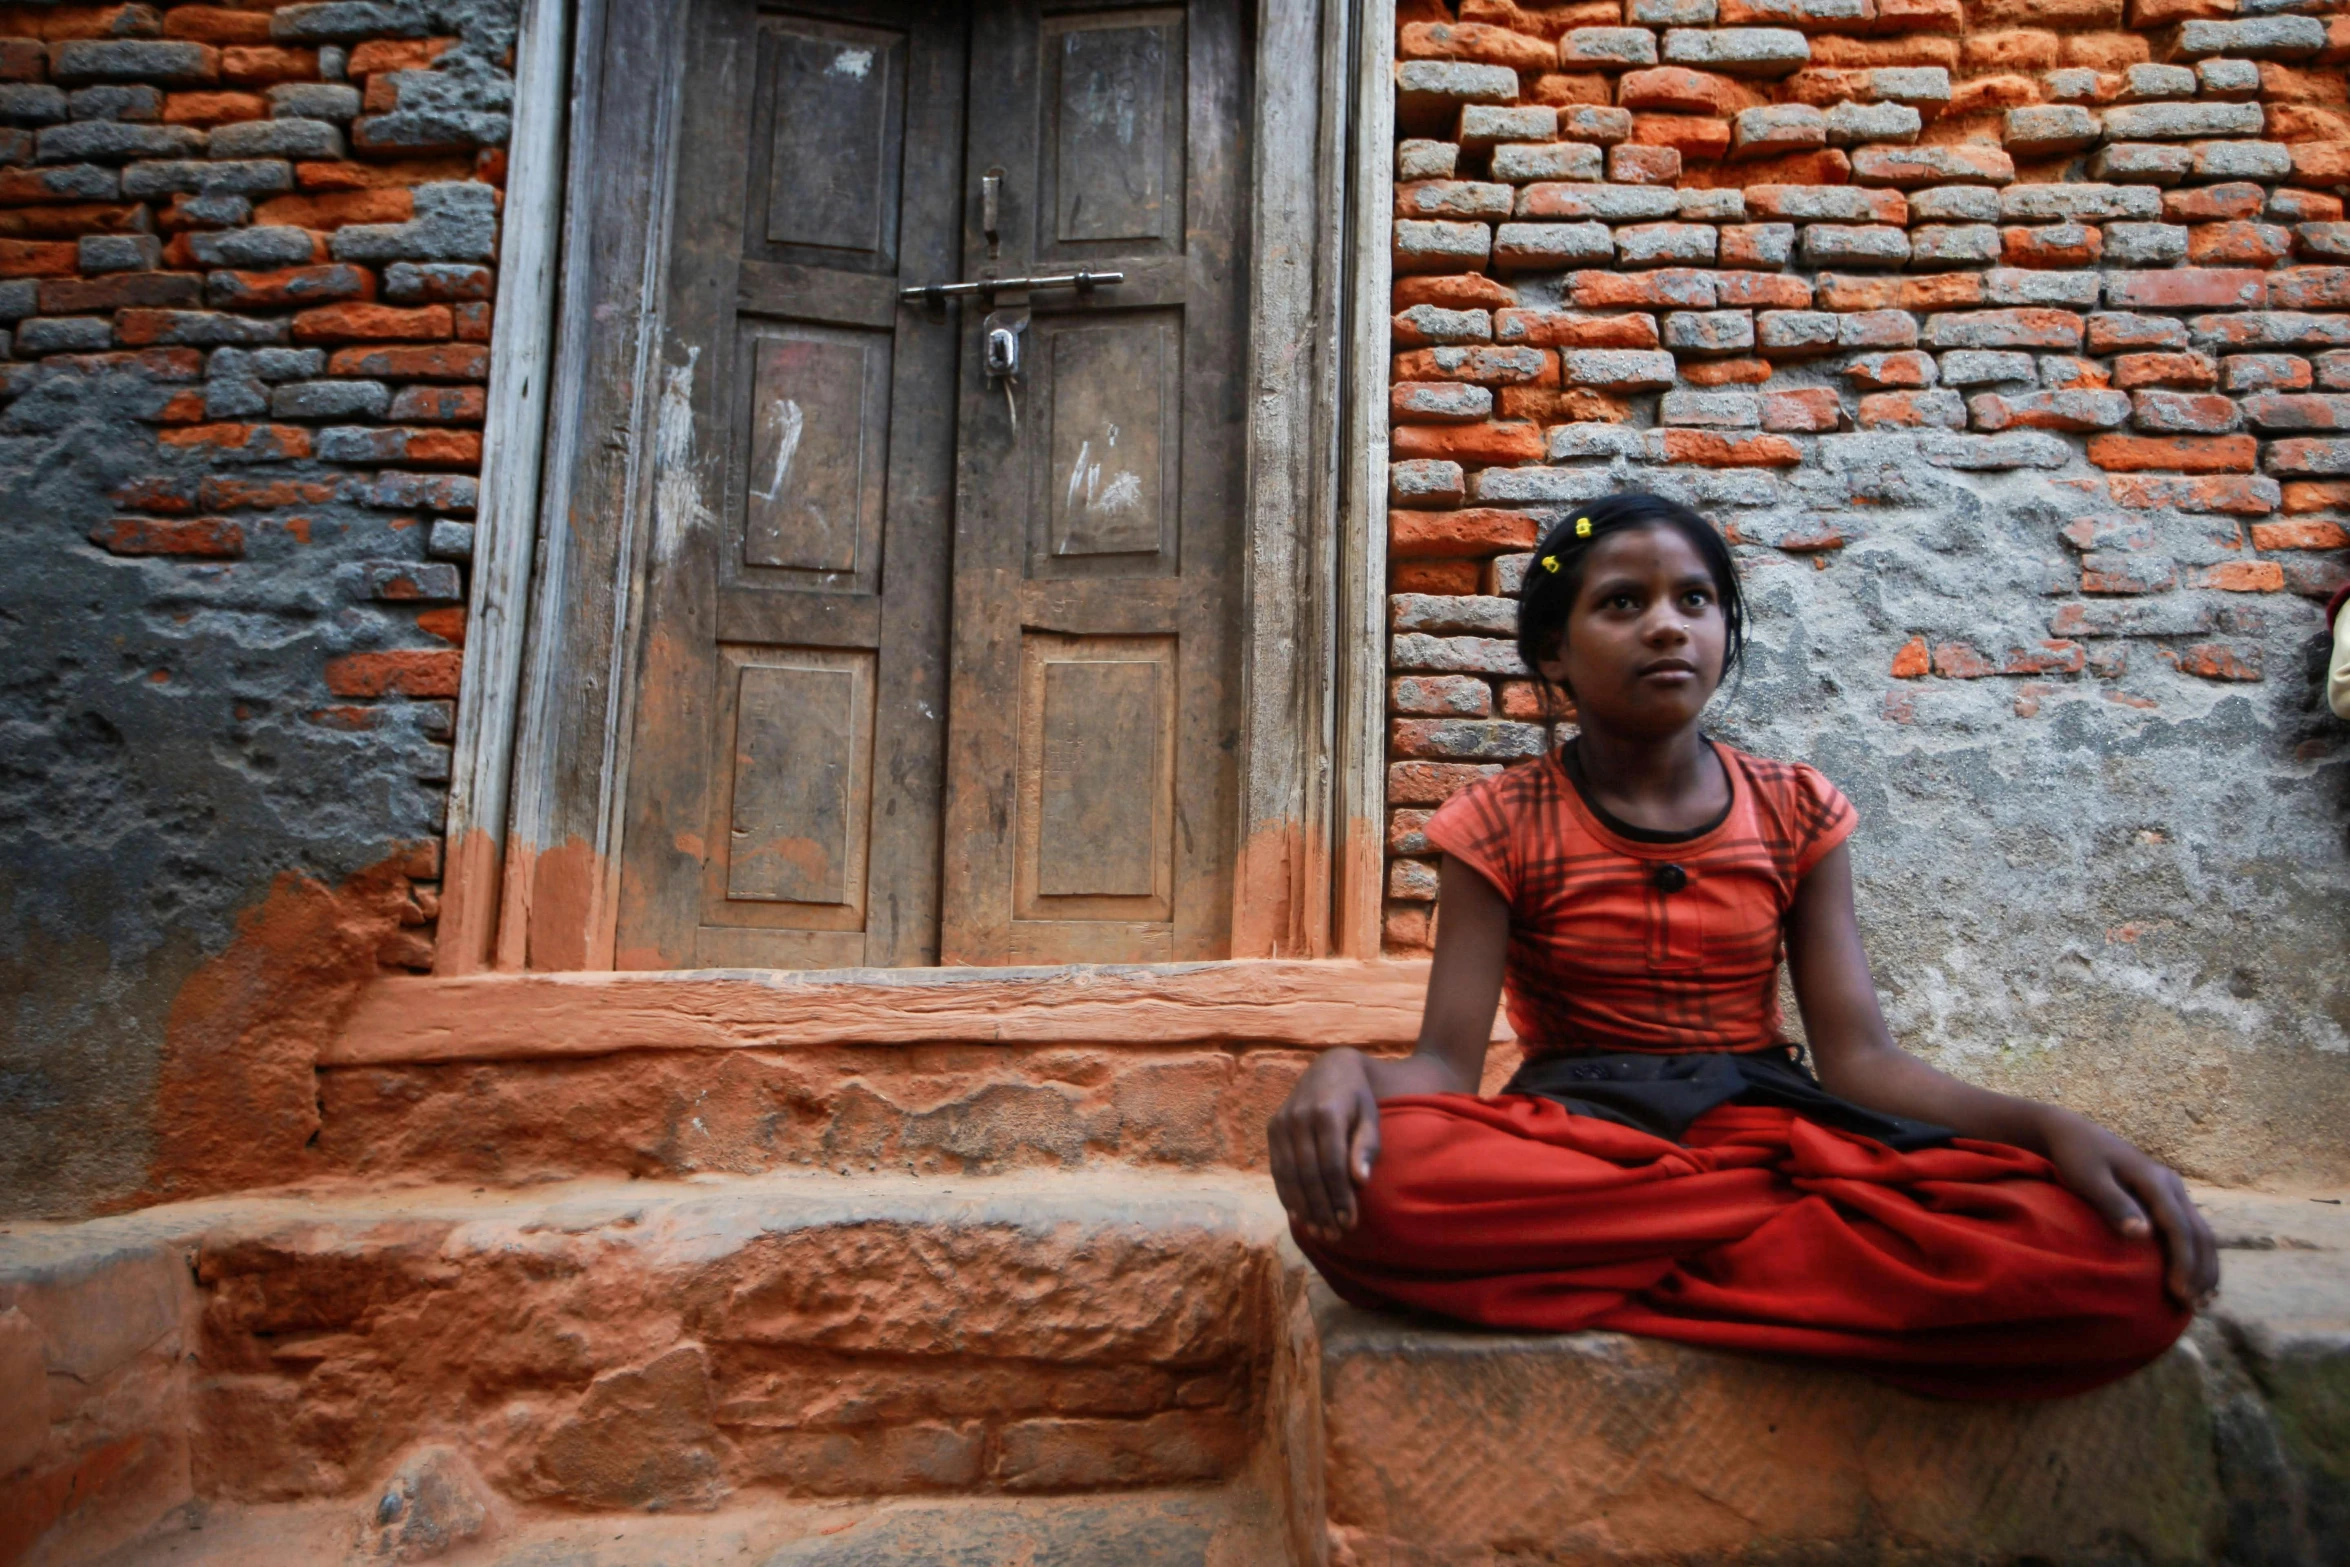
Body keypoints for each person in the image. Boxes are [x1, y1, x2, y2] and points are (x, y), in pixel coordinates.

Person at [1273, 491, 2215, 1401]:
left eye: (1696, 599)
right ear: (1553, 652)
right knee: (1378, 1187)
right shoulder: (1495, 824)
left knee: (2122, 1259)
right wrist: (1345, 1071)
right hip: (1582, 1139)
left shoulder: (1798, 809)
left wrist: (2051, 1126)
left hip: (1762, 1131)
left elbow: (1861, 1061)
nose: (1667, 626)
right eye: (1621, 603)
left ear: (1726, 629)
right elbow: (1444, 1066)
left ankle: (1606, 1266)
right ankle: (1795, 1265)